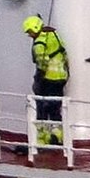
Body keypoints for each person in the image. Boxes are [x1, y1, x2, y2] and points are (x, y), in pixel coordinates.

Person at [23, 15, 68, 145]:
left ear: (35, 29)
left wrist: (38, 80)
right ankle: (58, 136)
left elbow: (42, 63)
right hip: (61, 77)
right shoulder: (54, 35)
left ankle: (42, 139)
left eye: (30, 32)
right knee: (55, 109)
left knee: (42, 108)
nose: (29, 35)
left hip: (48, 79)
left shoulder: (39, 43)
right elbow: (63, 53)